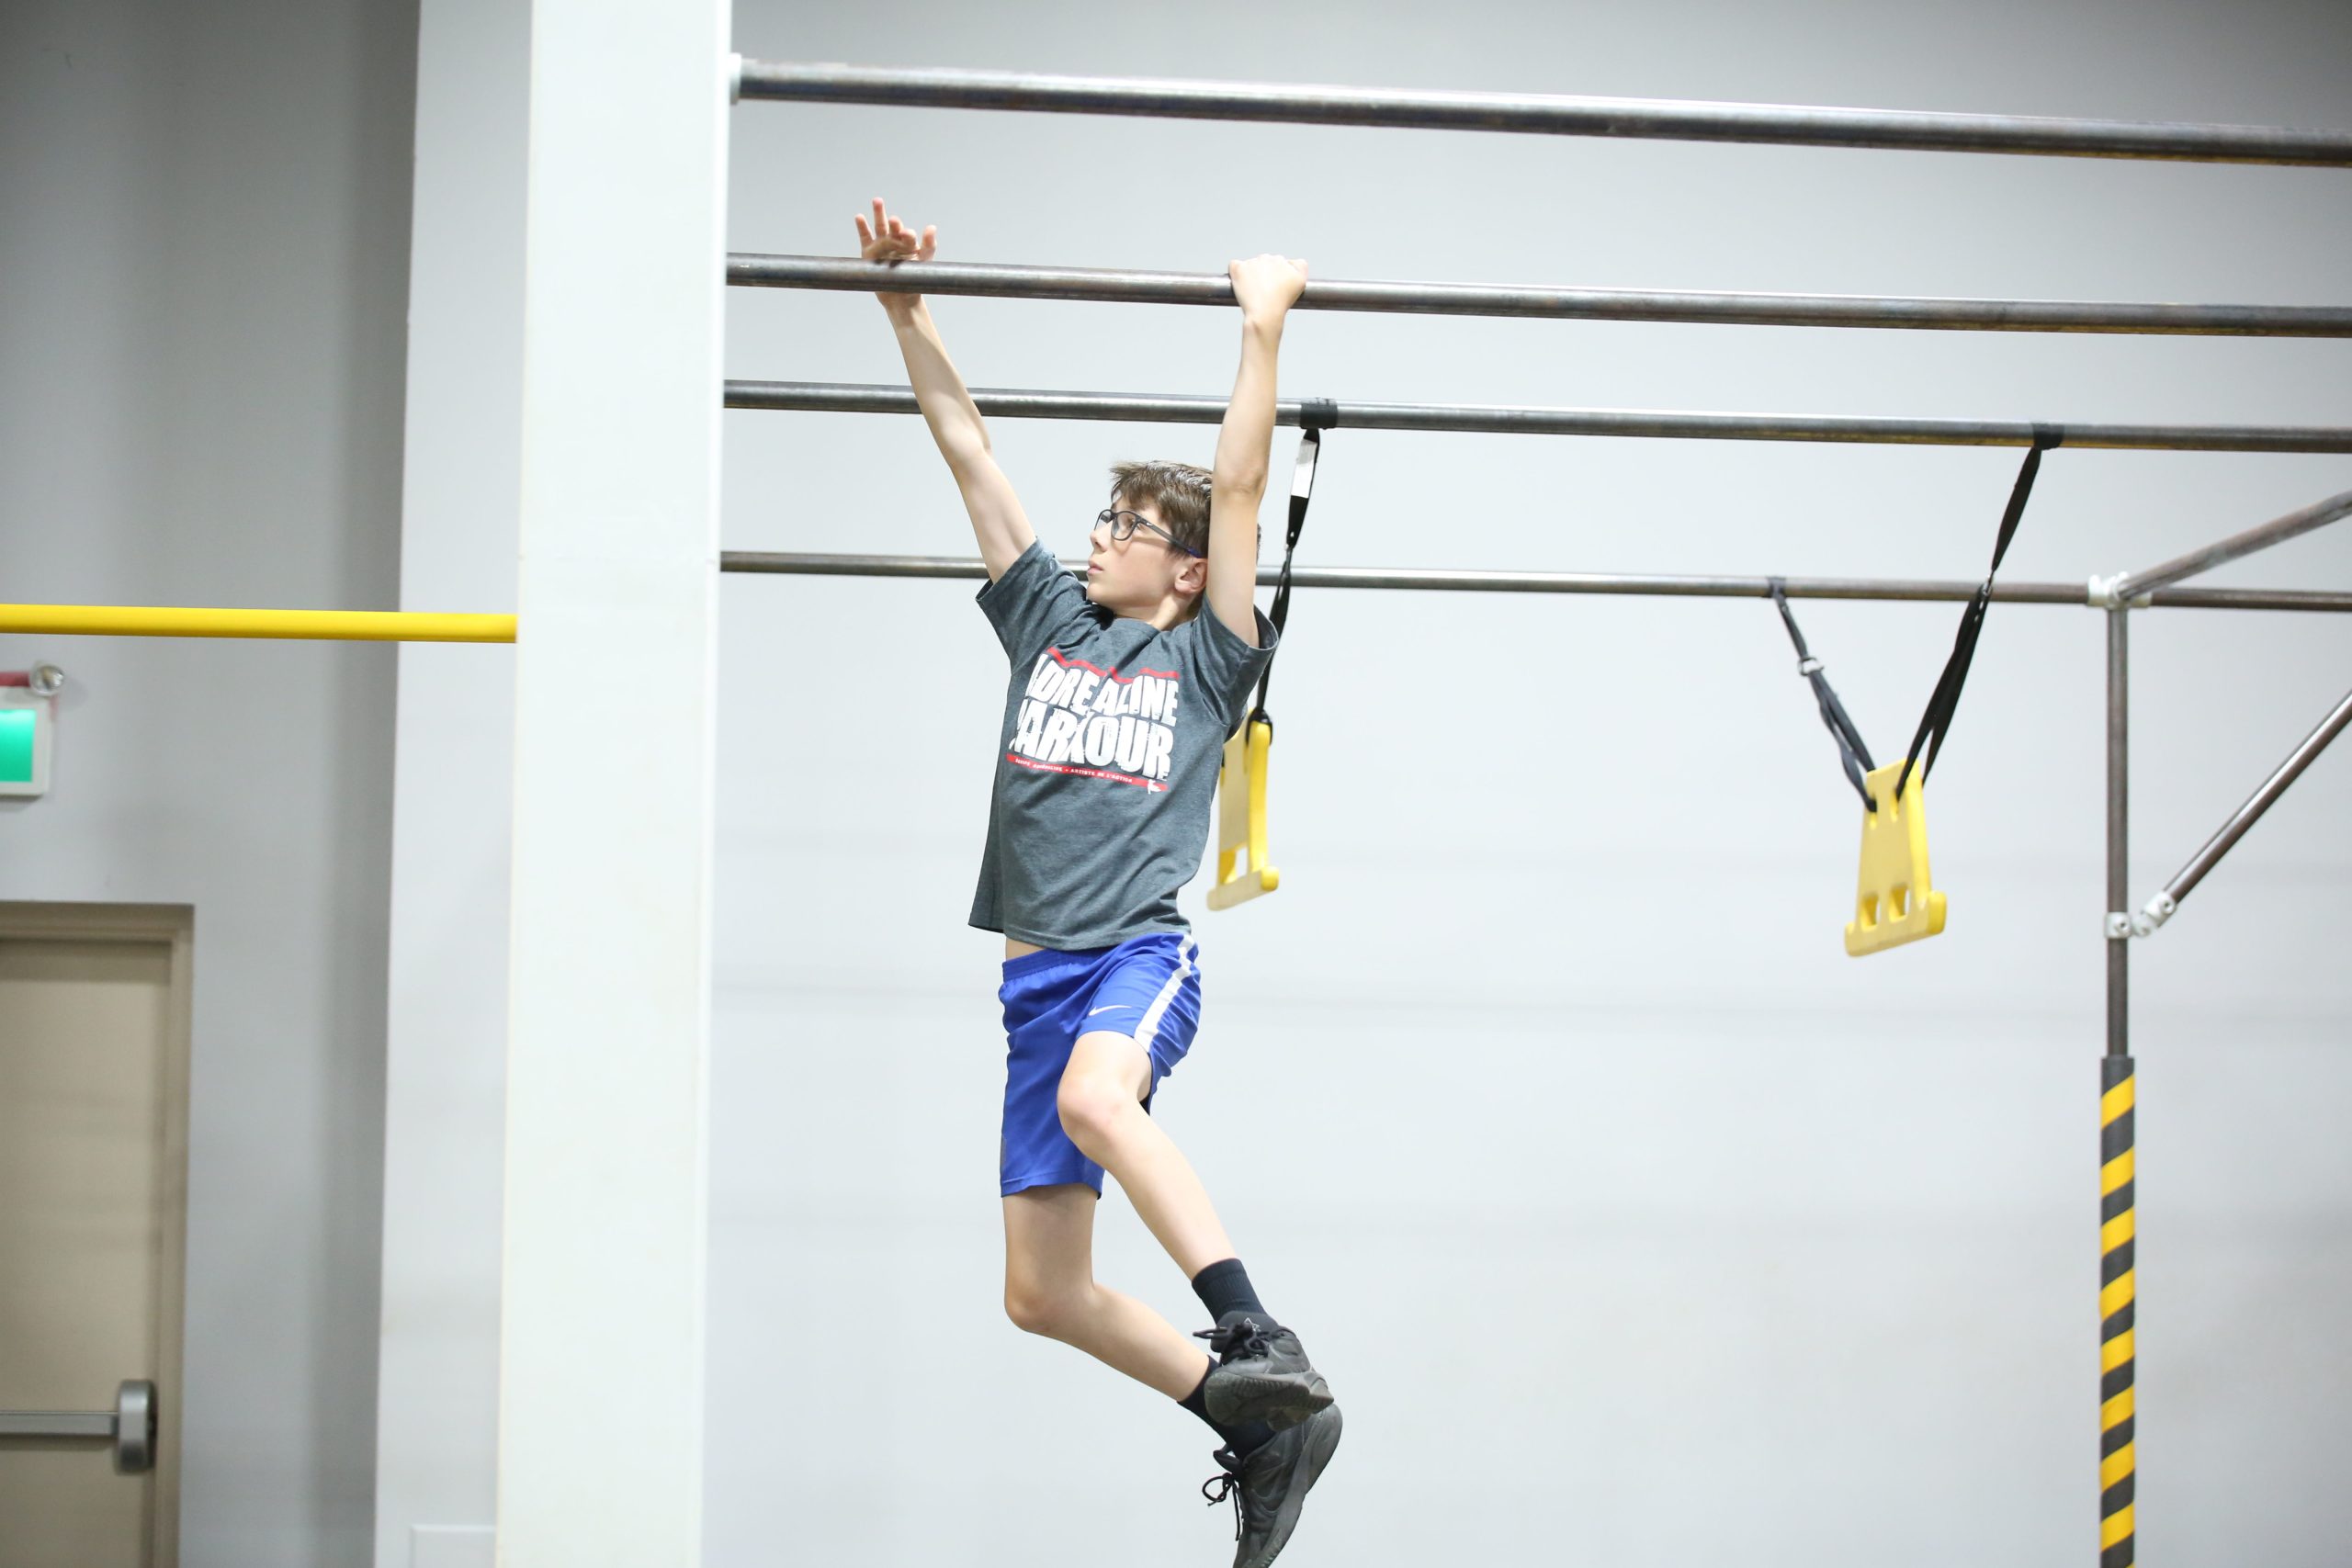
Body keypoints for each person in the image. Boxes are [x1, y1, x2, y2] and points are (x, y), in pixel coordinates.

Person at [855, 197, 1340, 1567]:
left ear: (1186, 573)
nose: (1100, 536)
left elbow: (1236, 492)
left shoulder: (1206, 658)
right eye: (1105, 517)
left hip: (1134, 953)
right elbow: (971, 453)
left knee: (1094, 1098)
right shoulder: (1048, 622)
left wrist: (1261, 326)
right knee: (1042, 1294)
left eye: (1128, 526)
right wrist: (906, 309)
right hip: (1033, 984)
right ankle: (1259, 1424)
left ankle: (1253, 1327)